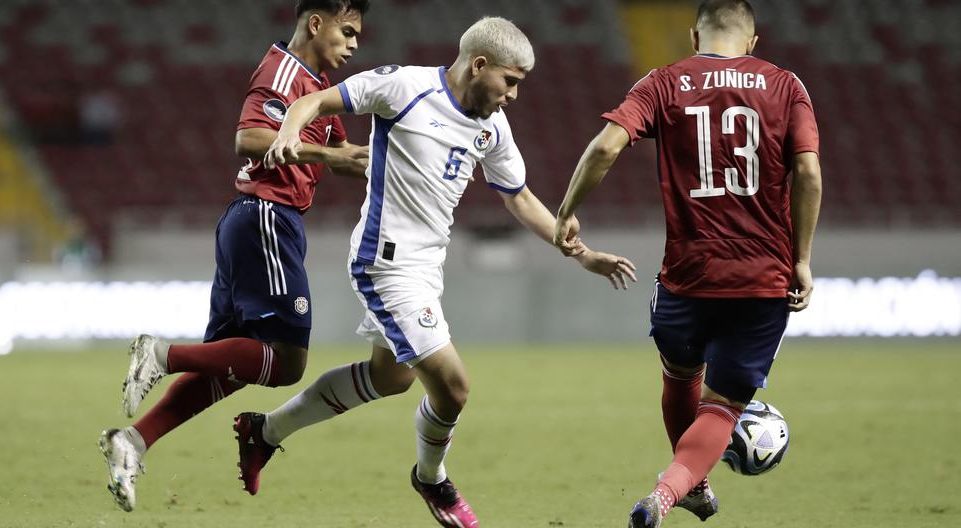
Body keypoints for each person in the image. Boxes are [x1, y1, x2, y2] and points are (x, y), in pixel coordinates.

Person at [237, 16, 637, 527]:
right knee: (453, 387)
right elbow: (312, 101)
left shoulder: (492, 126)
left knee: (391, 378)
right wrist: (290, 131)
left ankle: (264, 432)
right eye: (510, 81)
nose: (513, 95)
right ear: (479, 64)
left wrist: (580, 253)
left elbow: (519, 198)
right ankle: (432, 478)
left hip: (427, 267)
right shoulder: (404, 86)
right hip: (385, 262)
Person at [552, 1, 822, 526]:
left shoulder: (663, 82)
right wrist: (803, 259)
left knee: (680, 376)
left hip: (686, 275)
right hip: (761, 277)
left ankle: (693, 485)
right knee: (722, 406)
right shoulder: (786, 85)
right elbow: (808, 173)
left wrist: (567, 211)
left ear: (694, 33)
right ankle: (667, 493)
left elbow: (606, 147)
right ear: (753, 41)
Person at [98, 0, 371, 512]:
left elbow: (347, 157)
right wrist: (327, 154)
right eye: (349, 30)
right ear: (317, 23)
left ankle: (132, 441)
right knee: (287, 363)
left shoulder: (318, 89)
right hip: (266, 217)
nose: (355, 43)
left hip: (257, 222)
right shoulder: (284, 71)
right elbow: (249, 137)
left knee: (231, 366)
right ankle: (161, 354)